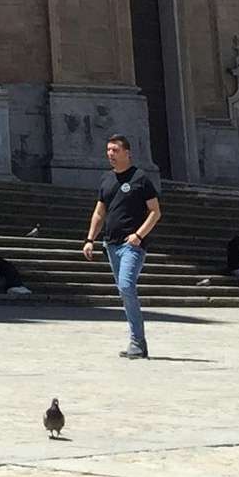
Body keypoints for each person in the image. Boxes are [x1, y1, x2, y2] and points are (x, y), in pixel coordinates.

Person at [83, 134, 160, 359]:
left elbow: (156, 211)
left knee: (126, 286)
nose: (110, 154)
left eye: (115, 150)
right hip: (111, 244)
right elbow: (100, 212)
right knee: (123, 291)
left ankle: (137, 341)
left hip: (132, 245)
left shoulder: (140, 178)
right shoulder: (106, 180)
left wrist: (138, 235)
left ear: (128, 153)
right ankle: (138, 343)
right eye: (108, 150)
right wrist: (90, 239)